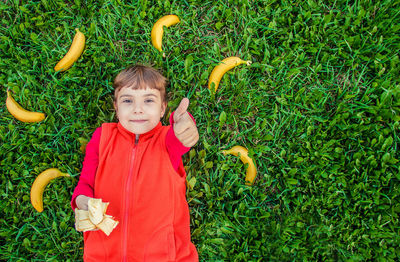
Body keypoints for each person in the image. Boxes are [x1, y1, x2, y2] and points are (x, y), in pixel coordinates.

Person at [71, 65, 199, 261]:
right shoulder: (102, 137)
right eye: (127, 100)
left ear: (163, 108)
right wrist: (83, 203)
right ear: (116, 107)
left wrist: (183, 125)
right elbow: (84, 185)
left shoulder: (167, 140)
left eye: (149, 100)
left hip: (164, 255)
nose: (138, 109)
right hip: (103, 255)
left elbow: (180, 137)